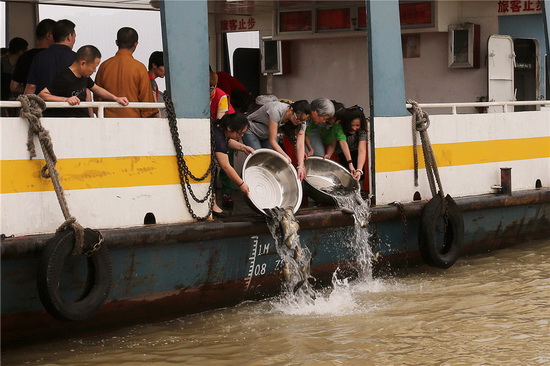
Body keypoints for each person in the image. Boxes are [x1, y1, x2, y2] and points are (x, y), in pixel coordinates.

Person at [38, 45, 129, 117]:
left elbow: (96, 88)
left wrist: (115, 98)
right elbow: (42, 94)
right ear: (83, 63)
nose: (94, 71)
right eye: (94, 67)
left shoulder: (84, 76)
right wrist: (66, 99)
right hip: (67, 123)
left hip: (83, 120)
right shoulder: (65, 77)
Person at [94, 27, 157, 118]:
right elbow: (147, 105)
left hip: (108, 121)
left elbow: (97, 97)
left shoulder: (104, 66)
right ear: (136, 44)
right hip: (133, 121)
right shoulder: (139, 67)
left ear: (116, 42)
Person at [244, 99, 311, 180]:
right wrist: (285, 156)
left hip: (267, 134)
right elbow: (272, 140)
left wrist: (300, 166)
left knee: (268, 160)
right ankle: (247, 181)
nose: (299, 121)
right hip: (252, 130)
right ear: (291, 109)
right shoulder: (277, 110)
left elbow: (300, 144)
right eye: (298, 118)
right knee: (258, 158)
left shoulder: (302, 122)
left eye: (302, 120)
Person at [212, 112, 255, 218]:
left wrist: (243, 147)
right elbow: (226, 166)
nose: (241, 136)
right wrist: (241, 184)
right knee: (212, 172)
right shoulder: (218, 139)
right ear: (230, 128)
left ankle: (213, 204)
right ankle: (213, 206)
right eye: (240, 133)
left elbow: (228, 141)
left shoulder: (220, 128)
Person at [25, 19, 77, 95]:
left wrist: (27, 105)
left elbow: (31, 86)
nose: (74, 40)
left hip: (44, 105)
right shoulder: (77, 58)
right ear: (69, 36)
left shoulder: (39, 57)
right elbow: (85, 87)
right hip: (72, 104)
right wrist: (90, 106)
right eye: (74, 37)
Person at [210, 69, 237, 207]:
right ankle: (212, 194)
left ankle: (227, 193)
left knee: (226, 160)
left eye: (212, 88)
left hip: (225, 128)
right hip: (212, 126)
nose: (210, 92)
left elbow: (219, 124)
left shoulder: (221, 96)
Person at [10, 19, 55, 97]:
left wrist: (32, 91)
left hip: (32, 104)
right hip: (54, 103)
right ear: (49, 35)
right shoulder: (56, 56)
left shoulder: (25, 56)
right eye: (57, 35)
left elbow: (14, 87)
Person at [332, 105, 368, 181]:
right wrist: (350, 163)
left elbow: (362, 150)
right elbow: (342, 143)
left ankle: (360, 188)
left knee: (359, 172)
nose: (354, 128)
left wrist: (359, 170)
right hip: (341, 152)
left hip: (356, 151)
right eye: (352, 125)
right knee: (345, 175)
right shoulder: (339, 126)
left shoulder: (362, 130)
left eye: (357, 125)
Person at [1, 37, 28, 114]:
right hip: (4, 102)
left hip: (16, 104)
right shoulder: (2, 63)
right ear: (20, 52)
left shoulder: (21, 66)